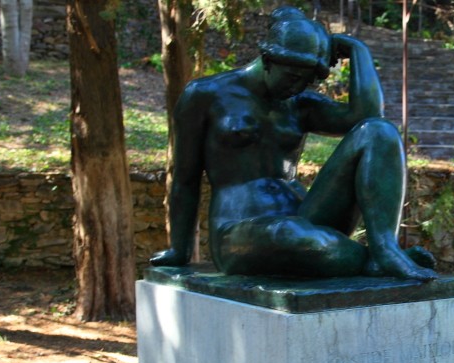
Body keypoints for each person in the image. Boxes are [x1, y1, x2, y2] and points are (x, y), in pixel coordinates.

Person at [150, 6, 436, 282]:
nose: (297, 87)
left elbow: (367, 115)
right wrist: (179, 249)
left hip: (306, 218)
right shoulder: (206, 95)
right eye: (293, 77)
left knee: (379, 131)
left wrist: (356, 49)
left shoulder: (300, 104)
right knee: (289, 234)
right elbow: (185, 180)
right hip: (238, 232)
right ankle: (368, 259)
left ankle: (384, 248)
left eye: (307, 81)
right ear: (268, 58)